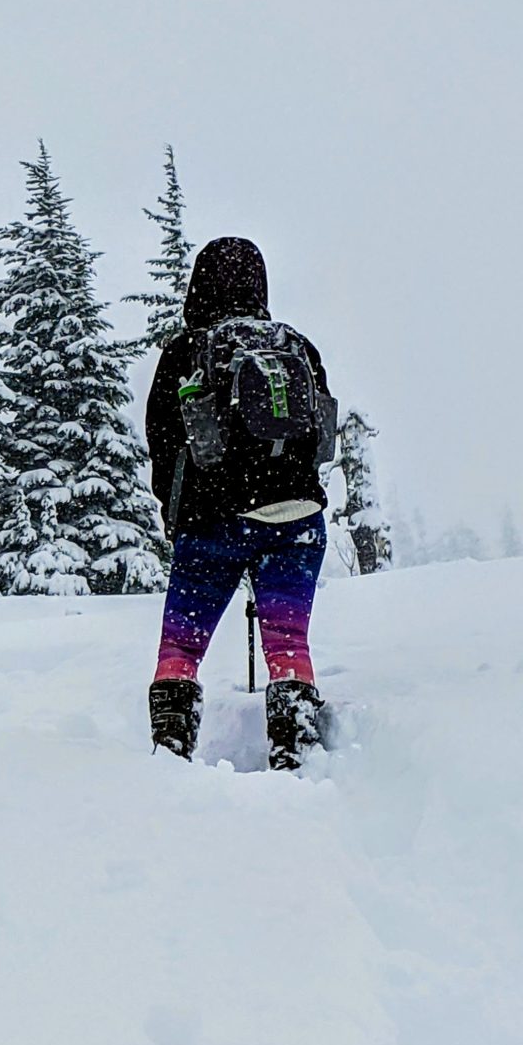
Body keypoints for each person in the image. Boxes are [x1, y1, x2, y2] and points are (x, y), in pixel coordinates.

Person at [143, 237, 331, 768]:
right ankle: (295, 751)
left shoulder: (185, 350)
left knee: (181, 648)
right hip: (296, 520)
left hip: (212, 523)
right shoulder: (297, 346)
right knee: (288, 638)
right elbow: (318, 441)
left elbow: (162, 438)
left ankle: (169, 755)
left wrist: (178, 513)